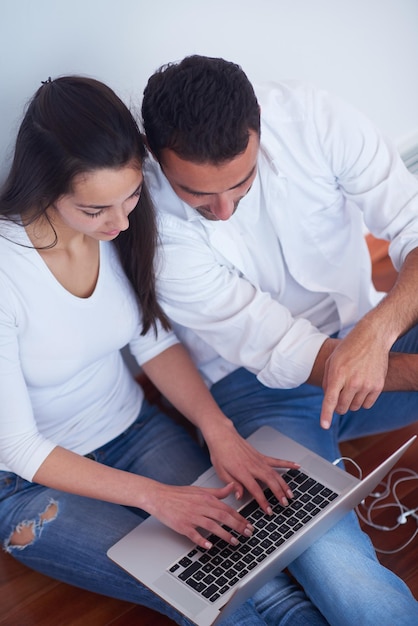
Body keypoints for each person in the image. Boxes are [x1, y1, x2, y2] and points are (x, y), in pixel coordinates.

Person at [0, 75, 332, 626]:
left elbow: (150, 338)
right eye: (96, 209)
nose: (122, 221)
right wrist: (158, 497)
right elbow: (18, 447)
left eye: (132, 196)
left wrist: (217, 428)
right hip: (27, 484)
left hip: (134, 432)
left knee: (264, 580)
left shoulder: (119, 228)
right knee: (214, 599)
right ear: (44, 188)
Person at [141, 55, 418, 624]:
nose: (222, 210)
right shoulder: (151, 225)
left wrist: (380, 327)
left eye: (240, 183)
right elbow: (286, 351)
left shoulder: (313, 118)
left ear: (259, 132)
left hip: (369, 330)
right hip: (262, 391)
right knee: (338, 573)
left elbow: (413, 223)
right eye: (198, 196)